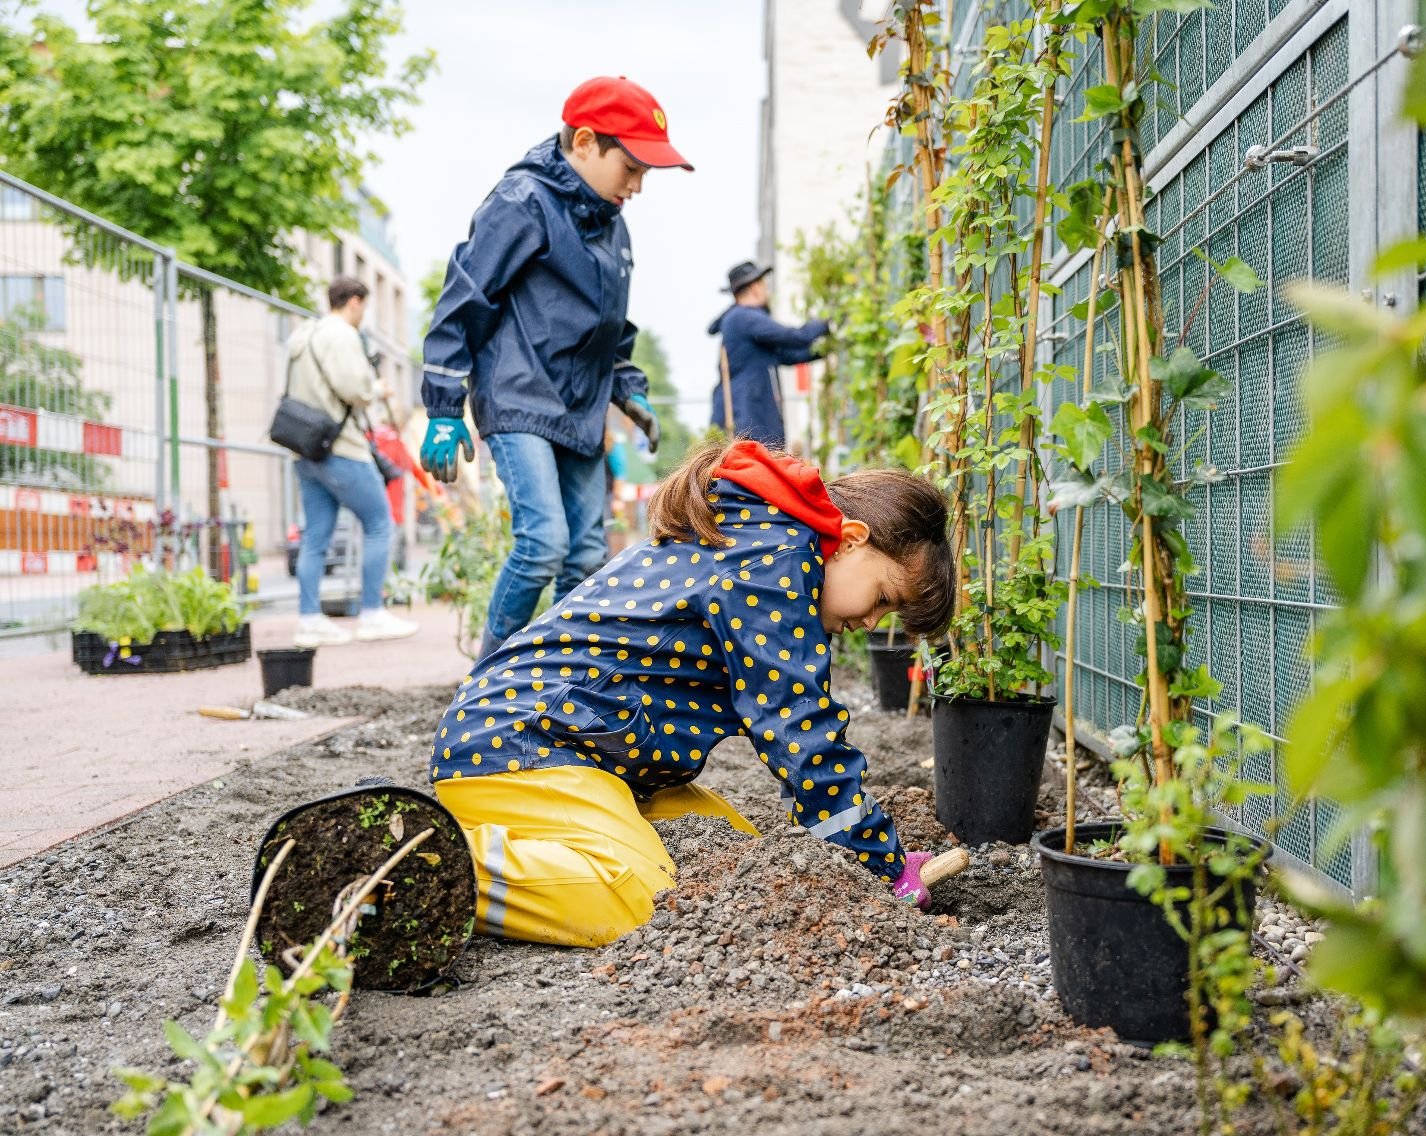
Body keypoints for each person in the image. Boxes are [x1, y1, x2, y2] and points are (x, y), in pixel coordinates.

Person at [428, 438, 955, 947]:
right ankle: (431, 866)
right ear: (854, 539)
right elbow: (800, 733)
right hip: (519, 744)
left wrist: (858, 858)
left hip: (589, 753)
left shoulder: (763, 542)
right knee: (643, 899)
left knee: (741, 858)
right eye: (883, 597)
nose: (871, 622)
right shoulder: (773, 566)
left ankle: (517, 848)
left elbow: (796, 748)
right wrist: (879, 862)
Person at [419, 76, 684, 656]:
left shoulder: (611, 222)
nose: (637, 185)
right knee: (543, 544)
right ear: (585, 142)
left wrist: (628, 388)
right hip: (519, 397)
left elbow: (609, 323)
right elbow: (465, 298)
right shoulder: (522, 202)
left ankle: (559, 676)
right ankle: (486, 679)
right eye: (631, 167)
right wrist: (443, 406)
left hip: (580, 409)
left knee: (587, 556)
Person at [288, 277, 418, 648]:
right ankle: (372, 613)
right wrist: (376, 389)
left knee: (315, 536)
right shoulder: (342, 335)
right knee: (379, 523)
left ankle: (309, 620)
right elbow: (355, 390)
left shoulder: (302, 334)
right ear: (355, 302)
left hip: (304, 447)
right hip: (340, 447)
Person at [707, 260, 829, 449]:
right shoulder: (743, 317)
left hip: (752, 417)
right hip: (747, 419)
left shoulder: (741, 322)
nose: (766, 290)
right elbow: (793, 337)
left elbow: (788, 355)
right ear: (754, 287)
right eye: (763, 285)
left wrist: (826, 350)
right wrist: (826, 324)